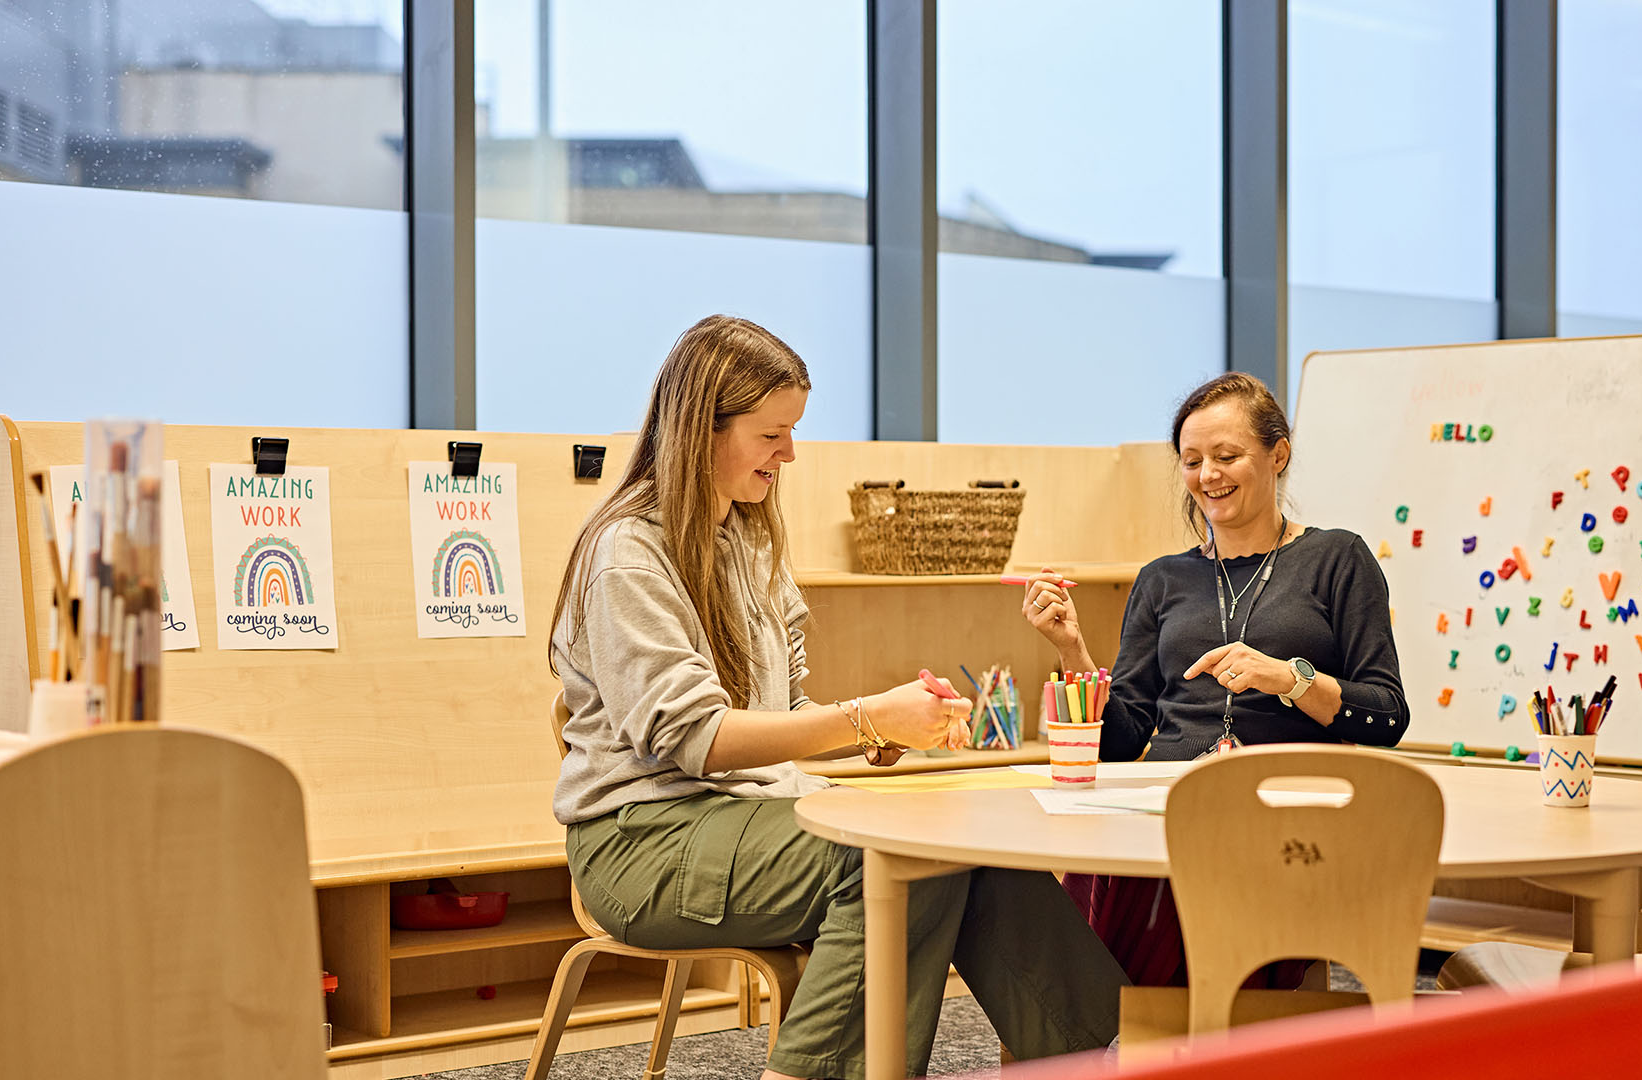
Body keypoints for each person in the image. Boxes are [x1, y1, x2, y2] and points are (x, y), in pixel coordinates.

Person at [550, 314, 1127, 1080]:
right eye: (771, 434)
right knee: (896, 858)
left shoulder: (749, 539)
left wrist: (883, 734)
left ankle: (1112, 1057)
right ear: (701, 430)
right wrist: (863, 718)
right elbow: (697, 740)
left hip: (747, 819)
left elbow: (782, 711)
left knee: (969, 841)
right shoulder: (630, 553)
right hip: (643, 840)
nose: (789, 453)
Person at [1019, 371, 1409, 986]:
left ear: (1278, 454)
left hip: (1282, 813)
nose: (1208, 476)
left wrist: (1290, 678)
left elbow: (1386, 716)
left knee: (1191, 871)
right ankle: (1091, 1029)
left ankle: (1165, 1025)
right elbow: (1121, 740)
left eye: (1227, 456)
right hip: (1163, 806)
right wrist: (1073, 651)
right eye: (1192, 460)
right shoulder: (1162, 579)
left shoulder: (1337, 558)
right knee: (1091, 887)